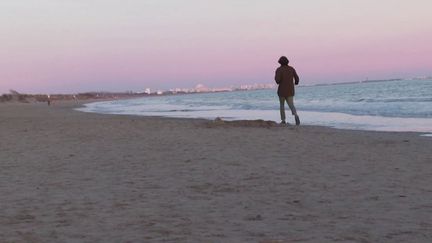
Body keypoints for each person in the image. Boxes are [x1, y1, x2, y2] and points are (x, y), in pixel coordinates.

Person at [274, 56, 300, 125]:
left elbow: (277, 81)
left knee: (282, 105)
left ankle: (283, 120)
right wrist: (296, 83)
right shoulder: (291, 69)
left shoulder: (279, 69)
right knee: (291, 105)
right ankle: (296, 115)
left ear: (280, 62)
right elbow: (297, 78)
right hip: (290, 90)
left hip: (281, 91)